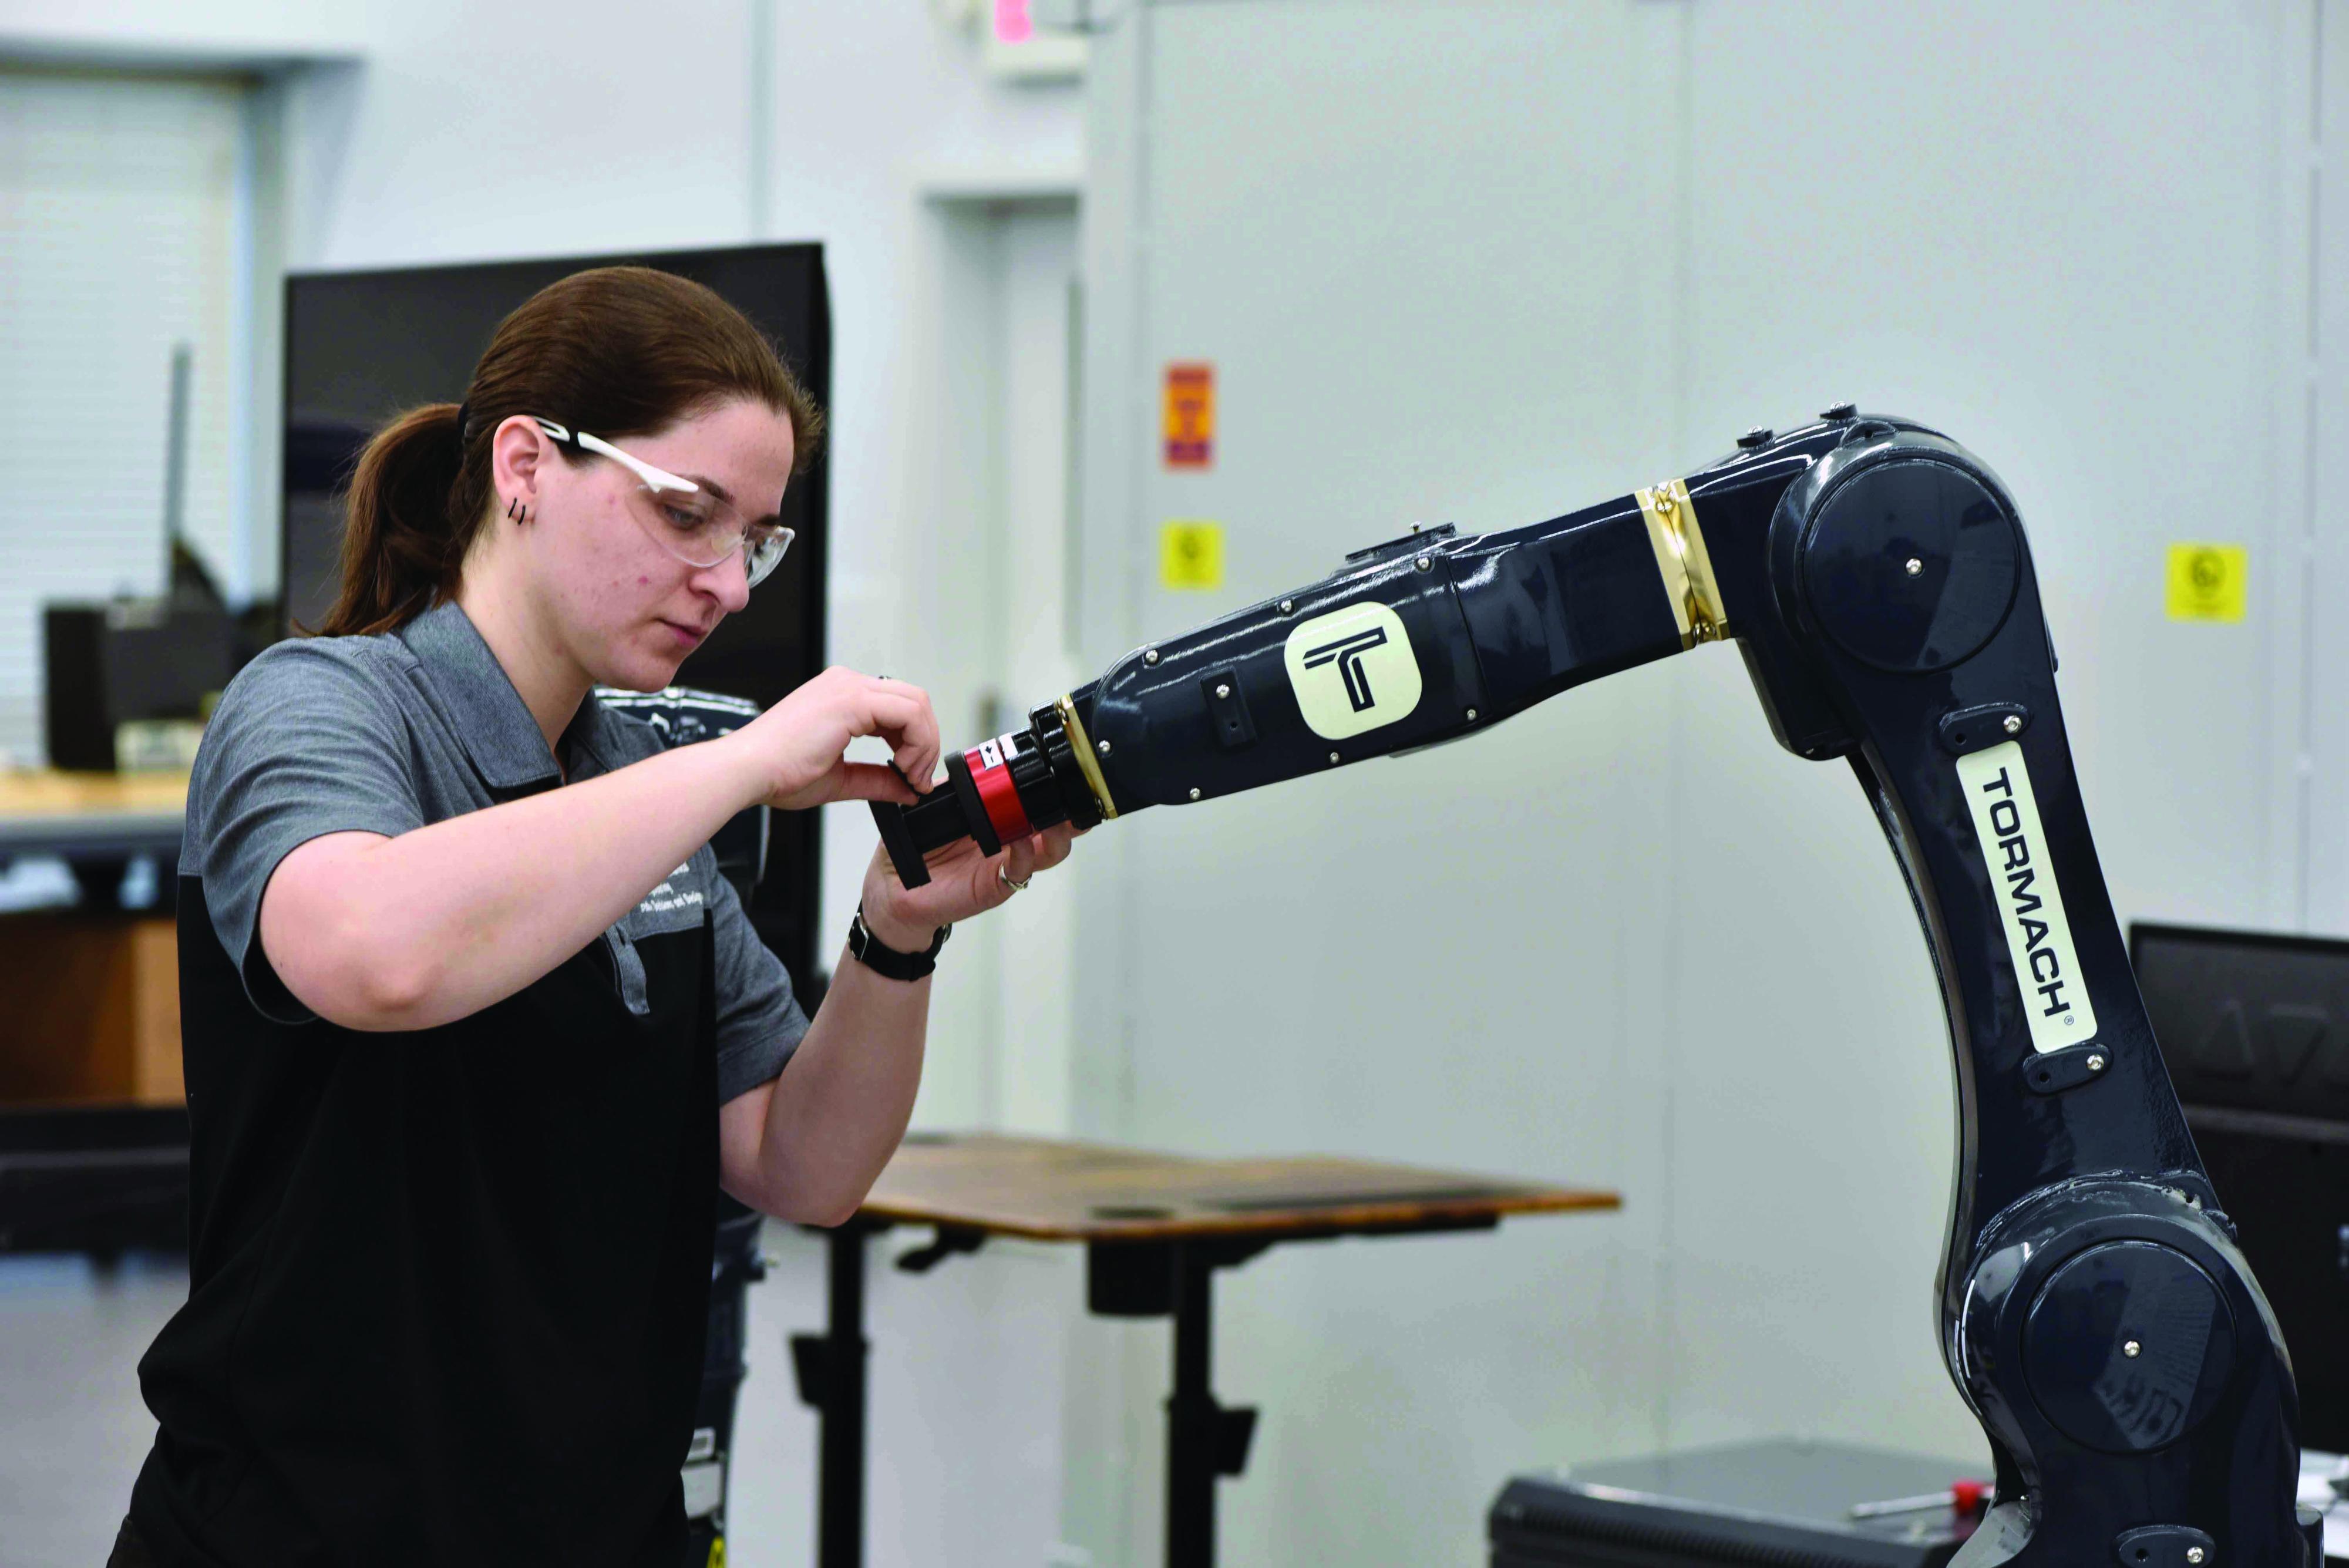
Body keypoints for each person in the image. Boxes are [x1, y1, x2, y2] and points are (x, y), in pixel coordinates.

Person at [110, 266, 1075, 1567]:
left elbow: (802, 1165)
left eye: (756, 539)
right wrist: (738, 765)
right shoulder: (318, 709)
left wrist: (896, 935)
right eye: (687, 514)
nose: (729, 585)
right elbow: (376, 954)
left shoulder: (638, 793)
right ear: (524, 465)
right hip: (309, 1530)